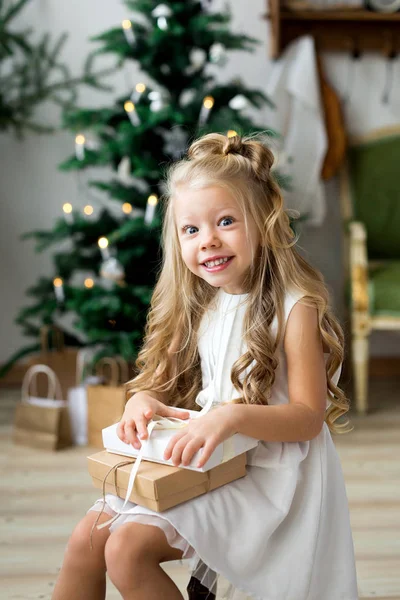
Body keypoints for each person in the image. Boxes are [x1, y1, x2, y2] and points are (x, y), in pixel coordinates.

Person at [52, 132, 359, 600]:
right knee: (88, 539)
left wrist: (230, 416)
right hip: (210, 460)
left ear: (263, 221)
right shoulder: (202, 302)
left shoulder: (296, 307)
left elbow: (307, 417)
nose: (208, 240)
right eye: (191, 230)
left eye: (226, 221)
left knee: (127, 551)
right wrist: (143, 400)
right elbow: (166, 386)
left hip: (269, 479)